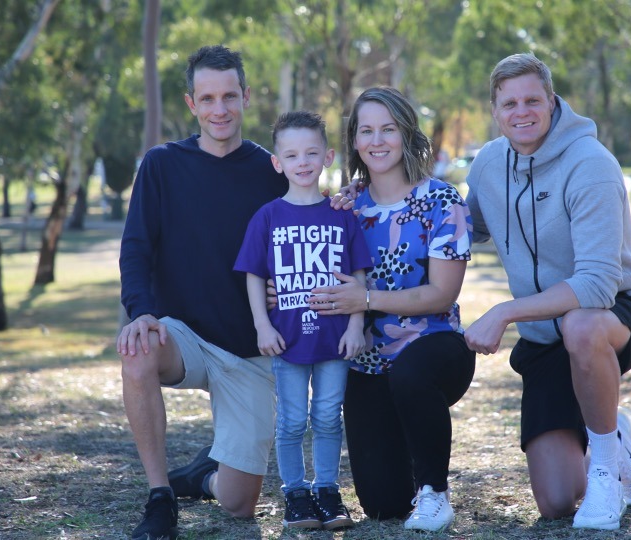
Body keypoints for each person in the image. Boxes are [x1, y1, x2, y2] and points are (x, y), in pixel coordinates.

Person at [462, 53, 631, 531]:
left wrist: (505, 311)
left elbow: (595, 284)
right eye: (509, 103)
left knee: (581, 324)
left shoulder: (590, 163)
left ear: (551, 102)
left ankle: (608, 468)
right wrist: (364, 205)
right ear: (495, 110)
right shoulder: (488, 164)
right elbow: (460, 231)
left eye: (533, 99)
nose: (521, 111)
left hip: (614, 313)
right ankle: (617, 433)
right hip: (544, 340)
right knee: (554, 502)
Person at [116, 44, 287, 540]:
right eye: (207, 98)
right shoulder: (161, 165)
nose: (220, 109)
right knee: (137, 349)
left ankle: (203, 476)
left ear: (246, 97)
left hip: (249, 349)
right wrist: (141, 313)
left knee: (239, 505)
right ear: (192, 103)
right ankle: (160, 497)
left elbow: (302, 232)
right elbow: (135, 250)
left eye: (229, 96)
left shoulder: (270, 171)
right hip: (183, 336)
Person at [311, 87, 476, 532]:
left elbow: (442, 294)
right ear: (354, 140)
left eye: (388, 128)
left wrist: (366, 300)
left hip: (435, 349)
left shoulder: (442, 201)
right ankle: (407, 457)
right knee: (383, 506)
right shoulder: (345, 208)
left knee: (410, 373)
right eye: (366, 130)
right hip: (368, 363)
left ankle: (434, 493)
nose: (377, 140)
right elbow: (318, 279)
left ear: (406, 134)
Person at [234, 111, 371, 531]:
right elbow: (255, 275)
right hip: (287, 340)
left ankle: (327, 490)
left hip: (334, 338)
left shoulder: (341, 215)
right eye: (292, 155)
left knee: (328, 416)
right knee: (293, 420)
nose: (303, 162)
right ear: (278, 163)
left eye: (312, 152)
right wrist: (262, 325)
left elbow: (359, 275)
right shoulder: (268, 216)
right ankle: (296, 494)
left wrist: (354, 326)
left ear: (327, 156)